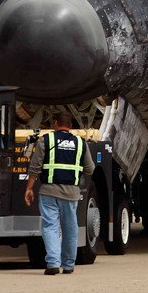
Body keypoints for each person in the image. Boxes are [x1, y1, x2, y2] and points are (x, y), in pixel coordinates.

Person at [24, 112, 95, 275]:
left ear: (55, 124)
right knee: (70, 228)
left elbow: (35, 167)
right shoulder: (80, 143)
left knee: (50, 227)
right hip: (71, 193)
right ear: (70, 126)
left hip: (49, 192)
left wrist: (29, 188)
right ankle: (69, 265)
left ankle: (53, 264)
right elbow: (90, 169)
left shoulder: (46, 140)